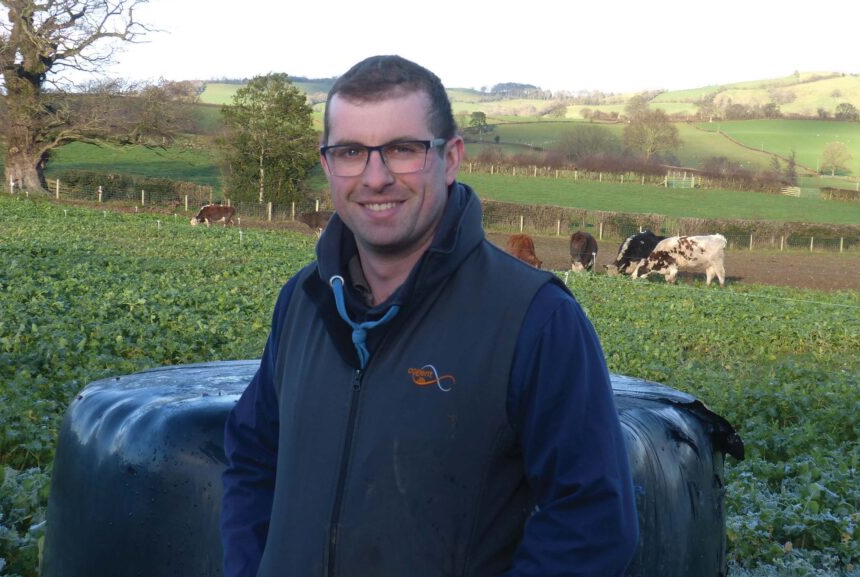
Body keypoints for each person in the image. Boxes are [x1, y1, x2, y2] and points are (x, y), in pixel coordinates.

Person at [220, 55, 638, 577]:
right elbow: (253, 457)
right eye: (351, 151)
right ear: (327, 164)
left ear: (452, 157)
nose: (375, 178)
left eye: (402, 150)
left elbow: (592, 524)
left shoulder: (535, 318)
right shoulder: (303, 301)